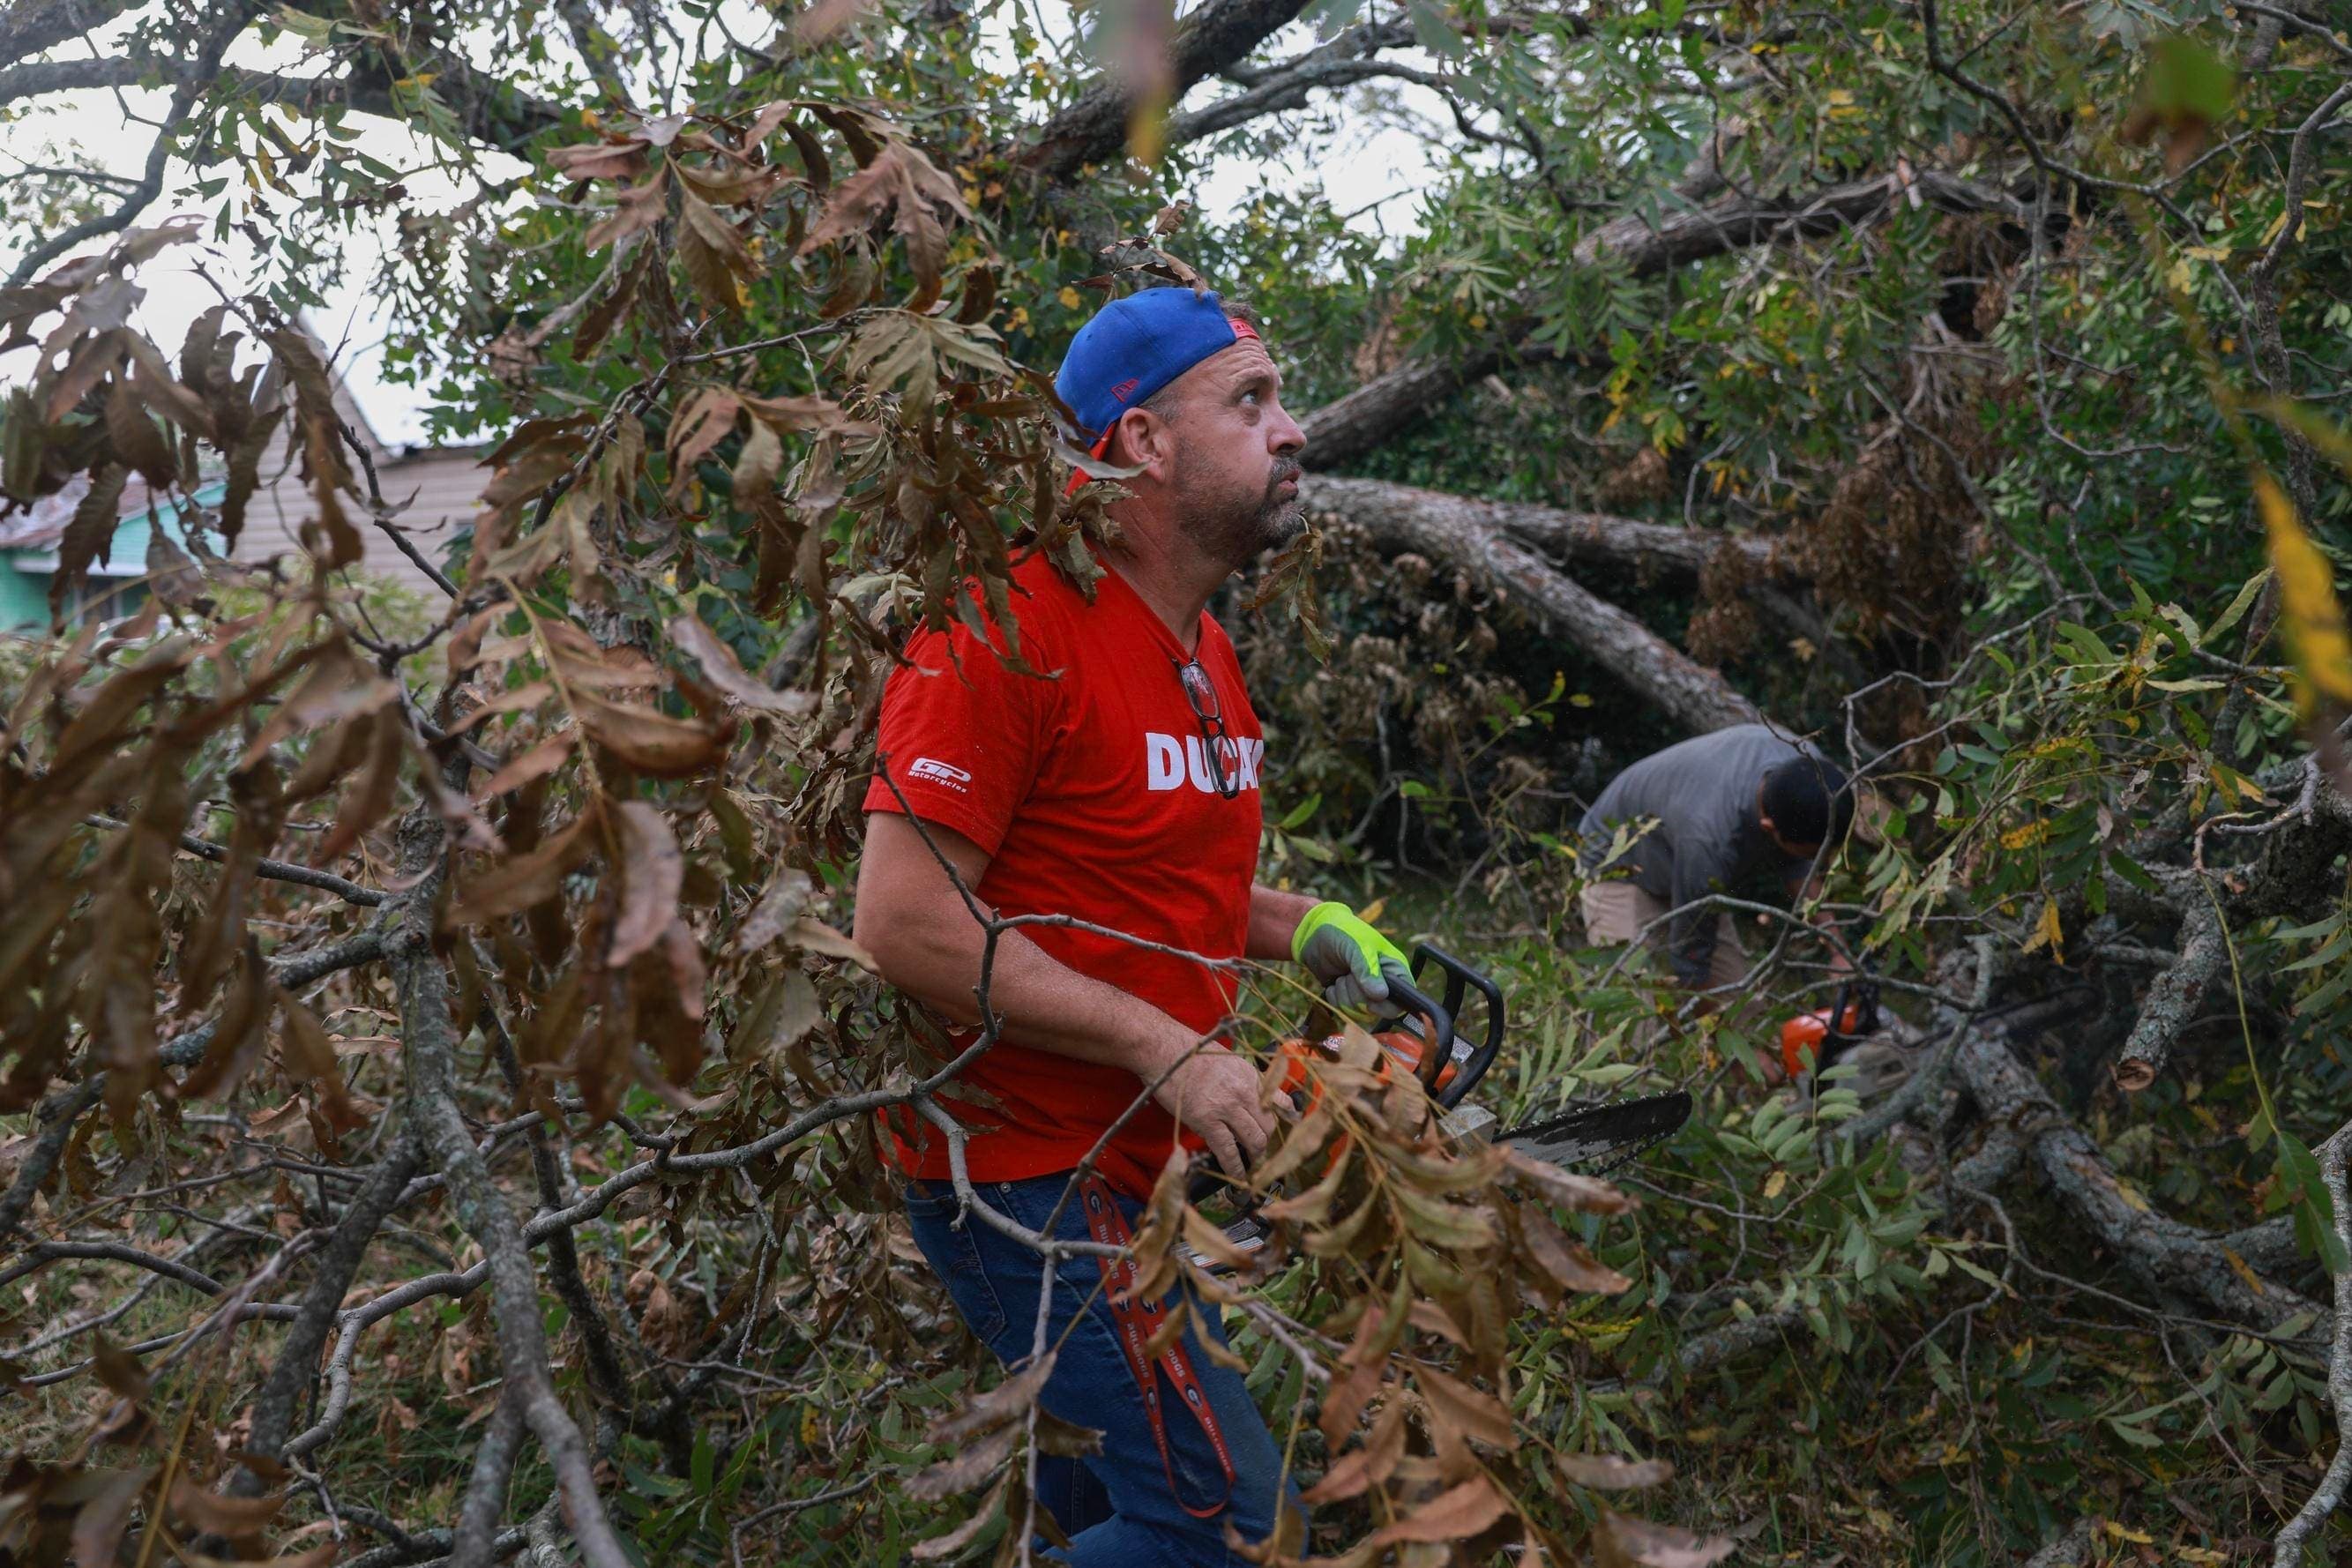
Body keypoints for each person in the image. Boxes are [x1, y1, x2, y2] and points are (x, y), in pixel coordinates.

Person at [852, 286, 1410, 1564]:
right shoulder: (999, 630)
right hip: (1025, 1177)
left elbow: (1152, 882)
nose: (1293, 431)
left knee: (1113, 1515)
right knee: (1223, 1532)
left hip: (1136, 1171)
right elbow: (902, 921)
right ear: (1139, 443)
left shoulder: (1203, 651)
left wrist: (1305, 922)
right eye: (1249, 400)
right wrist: (1165, 1046)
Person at [1577, 723, 1853, 1004]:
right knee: (1628, 1008)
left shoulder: (1811, 773)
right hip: (1617, 863)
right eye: (1807, 853)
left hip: (1683, 856)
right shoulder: (1709, 839)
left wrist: (1839, 952)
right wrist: (1716, 1031)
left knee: (1740, 1006)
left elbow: (1797, 867)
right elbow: (1691, 968)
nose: (1815, 863)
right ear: (1768, 827)